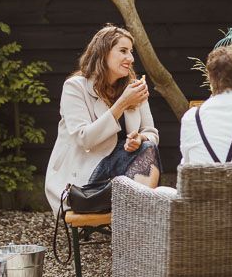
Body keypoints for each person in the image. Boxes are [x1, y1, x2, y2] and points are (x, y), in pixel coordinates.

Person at [45, 24, 161, 213]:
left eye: (131, 52)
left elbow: (151, 132)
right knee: (146, 156)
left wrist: (140, 138)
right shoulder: (75, 87)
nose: (130, 59)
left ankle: (139, 215)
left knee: (148, 147)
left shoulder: (133, 87)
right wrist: (122, 103)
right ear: (103, 52)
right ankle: (141, 218)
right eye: (123, 51)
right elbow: (84, 139)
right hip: (86, 176)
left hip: (123, 173)